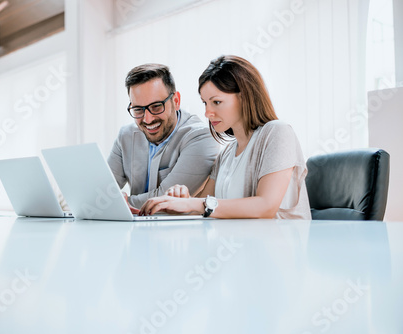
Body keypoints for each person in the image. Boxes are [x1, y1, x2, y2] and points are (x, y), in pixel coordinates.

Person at [139, 55, 311, 219]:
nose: (207, 113)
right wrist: (181, 201)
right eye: (205, 103)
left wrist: (194, 204)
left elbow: (266, 206)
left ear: (244, 97)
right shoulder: (227, 154)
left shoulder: (277, 132)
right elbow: (203, 207)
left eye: (217, 102)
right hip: (242, 244)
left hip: (281, 246)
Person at [108, 63, 220, 209]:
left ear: (176, 101)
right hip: (134, 229)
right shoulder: (126, 135)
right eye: (138, 109)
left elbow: (165, 201)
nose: (147, 119)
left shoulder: (202, 137)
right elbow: (102, 191)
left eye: (156, 107)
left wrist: (117, 204)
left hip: (180, 230)